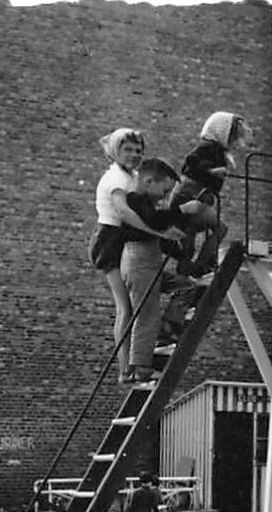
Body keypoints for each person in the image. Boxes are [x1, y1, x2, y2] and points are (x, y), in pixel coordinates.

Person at [91, 129, 183, 364]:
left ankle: (155, 339)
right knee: (125, 308)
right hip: (109, 242)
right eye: (128, 150)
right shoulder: (116, 179)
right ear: (116, 151)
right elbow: (124, 212)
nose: (134, 154)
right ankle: (125, 367)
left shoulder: (133, 175)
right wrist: (158, 231)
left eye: (138, 150)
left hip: (125, 240)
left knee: (137, 304)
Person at [116, 158, 185, 385]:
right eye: (164, 190)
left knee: (187, 286)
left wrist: (183, 255)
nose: (164, 197)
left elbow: (158, 235)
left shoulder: (147, 205)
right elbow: (154, 221)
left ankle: (168, 326)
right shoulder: (136, 201)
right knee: (147, 314)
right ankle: (140, 367)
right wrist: (180, 210)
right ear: (148, 181)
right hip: (139, 263)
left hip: (149, 263)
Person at [170, 111, 252, 277]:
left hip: (191, 196)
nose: (234, 141)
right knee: (219, 228)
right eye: (233, 136)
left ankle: (190, 267)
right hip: (189, 195)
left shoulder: (214, 149)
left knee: (189, 236)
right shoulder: (208, 147)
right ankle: (200, 264)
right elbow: (190, 163)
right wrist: (212, 171)